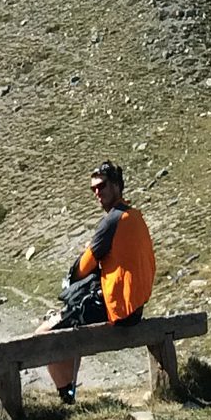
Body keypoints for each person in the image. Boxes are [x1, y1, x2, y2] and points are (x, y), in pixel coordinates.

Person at [42, 164, 163, 398]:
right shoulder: (135, 216)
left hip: (118, 311)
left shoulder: (112, 221)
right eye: (94, 190)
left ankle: (66, 397)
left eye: (102, 186)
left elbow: (83, 266)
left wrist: (72, 278)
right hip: (135, 309)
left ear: (117, 185)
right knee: (69, 319)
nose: (98, 193)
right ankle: (70, 388)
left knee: (45, 334)